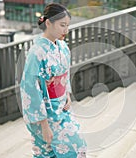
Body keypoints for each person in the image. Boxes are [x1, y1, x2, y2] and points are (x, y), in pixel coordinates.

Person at [20, 3, 87, 158]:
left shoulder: (63, 46)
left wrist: (67, 95)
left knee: (76, 146)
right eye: (62, 25)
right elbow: (30, 88)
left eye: (67, 26)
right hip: (45, 112)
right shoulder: (36, 52)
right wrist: (43, 124)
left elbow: (65, 74)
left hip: (62, 107)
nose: (66, 30)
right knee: (47, 153)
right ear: (48, 23)